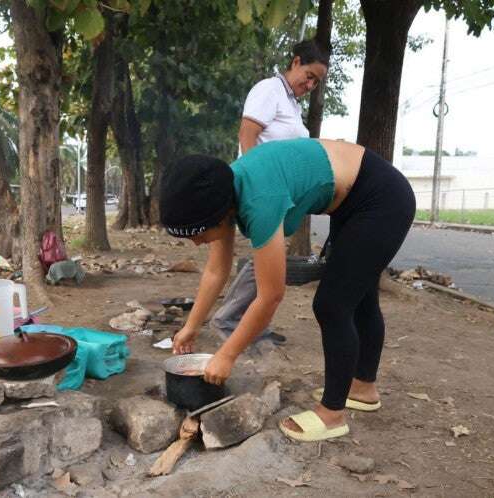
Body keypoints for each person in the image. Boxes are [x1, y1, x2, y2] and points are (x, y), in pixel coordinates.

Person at [160, 137, 415, 441]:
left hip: (381, 198)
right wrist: (190, 327)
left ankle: (332, 416)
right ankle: (362, 388)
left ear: (221, 213)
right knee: (360, 295)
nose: (197, 242)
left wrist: (227, 355)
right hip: (353, 201)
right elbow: (216, 270)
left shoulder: (259, 202)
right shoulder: (222, 191)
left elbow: (270, 295)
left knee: (333, 305)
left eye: (199, 233)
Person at [211, 40, 328, 345]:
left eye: (316, 81)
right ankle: (227, 321)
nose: (311, 84)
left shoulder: (291, 102)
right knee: (263, 259)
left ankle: (252, 327)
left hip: (281, 193)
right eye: (310, 75)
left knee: (267, 259)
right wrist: (256, 182)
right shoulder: (269, 90)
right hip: (261, 190)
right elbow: (247, 135)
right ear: (296, 61)